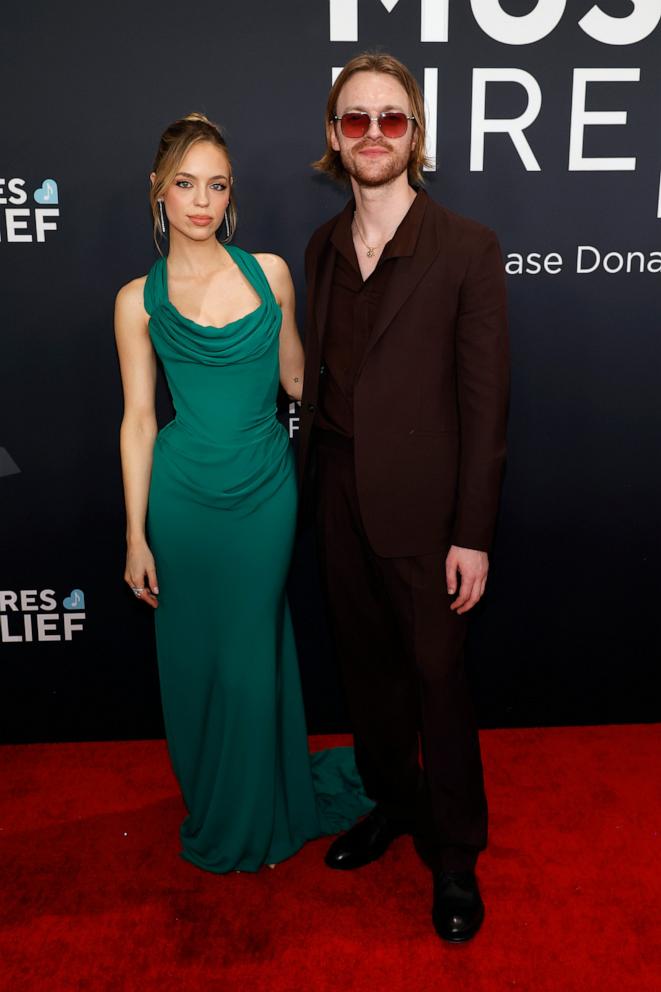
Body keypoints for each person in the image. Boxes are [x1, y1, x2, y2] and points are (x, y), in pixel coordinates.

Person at [114, 113, 370, 874]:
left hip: (264, 493)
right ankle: (220, 796)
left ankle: (264, 806)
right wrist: (136, 534)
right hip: (183, 497)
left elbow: (297, 378)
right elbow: (136, 420)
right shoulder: (137, 299)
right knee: (197, 661)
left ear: (232, 195)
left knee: (250, 655)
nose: (202, 201)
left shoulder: (270, 274)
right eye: (186, 184)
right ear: (158, 192)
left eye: (217, 185)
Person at [297, 55, 509, 940]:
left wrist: (472, 532)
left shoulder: (465, 246)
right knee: (368, 675)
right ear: (334, 138)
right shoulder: (319, 246)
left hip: (427, 510)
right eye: (356, 120)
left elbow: (484, 403)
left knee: (435, 680)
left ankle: (454, 854)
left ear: (414, 134)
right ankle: (391, 803)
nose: (373, 134)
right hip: (338, 491)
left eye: (391, 118)